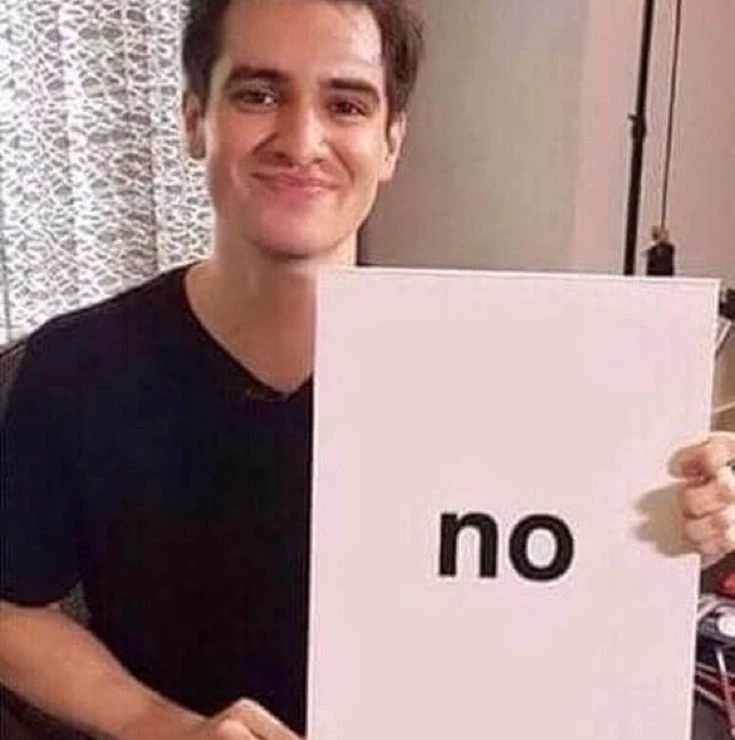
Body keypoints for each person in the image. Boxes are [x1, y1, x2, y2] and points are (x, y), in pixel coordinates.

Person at [0, 1, 733, 739]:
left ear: (391, 143)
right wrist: (165, 727)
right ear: (195, 118)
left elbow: (579, 585)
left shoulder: (507, 371)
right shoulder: (78, 368)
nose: (301, 141)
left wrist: (689, 510)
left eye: (345, 104)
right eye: (258, 94)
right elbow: (11, 609)